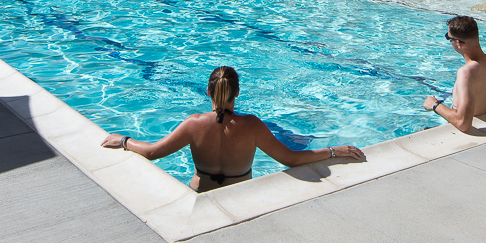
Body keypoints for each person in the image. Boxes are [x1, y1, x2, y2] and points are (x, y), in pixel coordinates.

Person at [100, 65, 364, 191]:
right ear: (237, 92)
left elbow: (152, 152)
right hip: (239, 196)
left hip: (199, 194)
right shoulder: (251, 125)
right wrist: (332, 150)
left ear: (208, 92)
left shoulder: (193, 124)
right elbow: (292, 159)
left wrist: (123, 141)